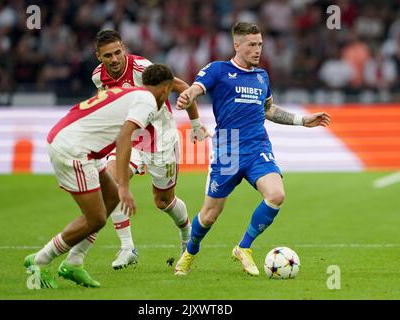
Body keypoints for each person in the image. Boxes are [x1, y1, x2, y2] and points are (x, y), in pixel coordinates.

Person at [173, 22, 331, 276]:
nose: (257, 50)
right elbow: (196, 88)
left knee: (277, 195)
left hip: (258, 146)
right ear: (237, 45)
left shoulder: (261, 76)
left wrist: (302, 121)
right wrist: (188, 96)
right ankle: (190, 251)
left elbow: (269, 110)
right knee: (210, 214)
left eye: (260, 44)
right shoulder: (218, 69)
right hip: (229, 148)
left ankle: (243, 248)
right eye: (251, 45)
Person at [24, 64, 175, 288]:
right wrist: (124, 185)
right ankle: (39, 260)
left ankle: (74, 262)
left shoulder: (132, 92)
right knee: (96, 217)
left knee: (111, 200)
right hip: (75, 150)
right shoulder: (148, 101)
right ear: (165, 89)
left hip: (74, 141)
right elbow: (124, 138)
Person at [87, 29, 210, 269]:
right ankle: (127, 248)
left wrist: (195, 125)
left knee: (164, 201)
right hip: (129, 138)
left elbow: (182, 86)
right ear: (98, 56)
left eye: (117, 53)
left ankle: (187, 235)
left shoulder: (142, 68)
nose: (114, 59)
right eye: (107, 56)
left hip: (160, 140)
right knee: (112, 183)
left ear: (124, 48)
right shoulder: (98, 77)